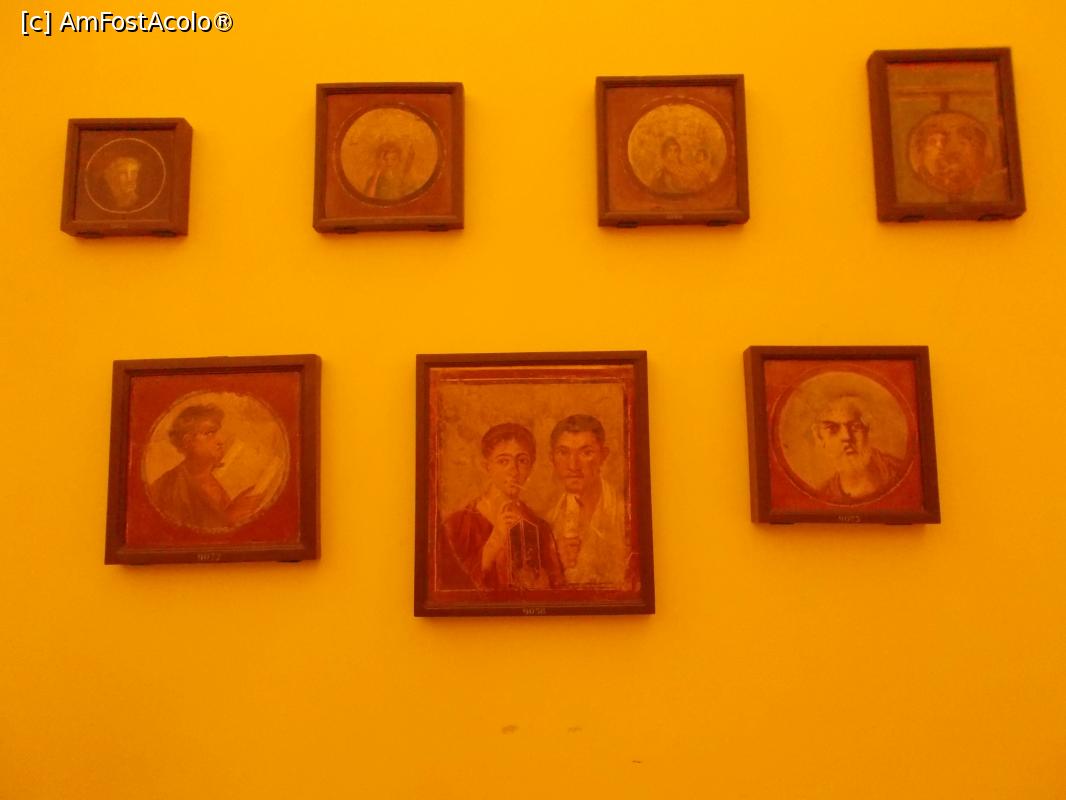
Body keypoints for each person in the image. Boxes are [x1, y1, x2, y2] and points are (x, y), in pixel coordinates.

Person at [438, 423, 562, 591]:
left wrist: (543, 584)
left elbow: (556, 585)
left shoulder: (540, 529)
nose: (514, 470)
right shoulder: (457, 525)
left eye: (522, 461)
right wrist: (495, 541)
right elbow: (450, 587)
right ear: (486, 466)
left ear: (531, 466)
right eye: (503, 461)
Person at [148, 404, 265, 531]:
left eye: (217, 433)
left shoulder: (216, 477)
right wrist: (228, 519)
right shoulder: (167, 488)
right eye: (209, 433)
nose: (220, 441)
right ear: (188, 441)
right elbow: (180, 533)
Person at [546, 415, 629, 586]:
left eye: (586, 453)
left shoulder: (625, 515)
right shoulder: (548, 522)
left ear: (603, 456)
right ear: (552, 458)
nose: (573, 466)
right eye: (563, 453)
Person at [812, 396, 905, 503]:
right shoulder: (824, 494)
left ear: (867, 430)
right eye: (833, 429)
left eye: (855, 426)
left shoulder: (897, 472)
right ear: (820, 438)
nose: (847, 436)